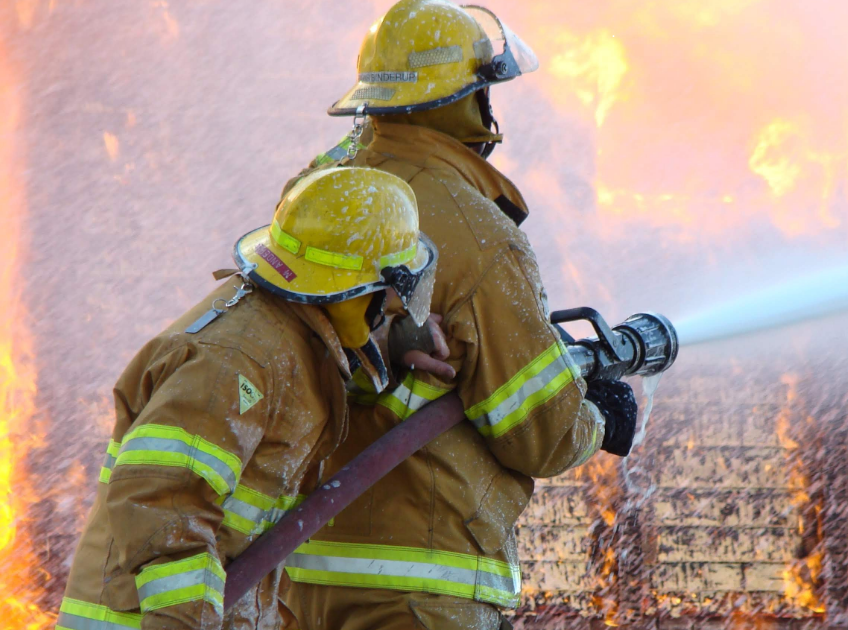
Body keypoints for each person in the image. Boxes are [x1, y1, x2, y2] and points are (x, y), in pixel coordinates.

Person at [282, 2, 640, 629]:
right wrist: (597, 417)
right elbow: (536, 429)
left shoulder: (320, 192)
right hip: (422, 585)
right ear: (466, 101)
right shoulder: (477, 231)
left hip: (299, 573)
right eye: (483, 90)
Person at [56, 166, 441, 630]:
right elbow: (161, 502)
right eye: (383, 292)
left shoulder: (285, 335)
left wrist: (388, 345)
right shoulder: (237, 362)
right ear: (349, 290)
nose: (388, 304)